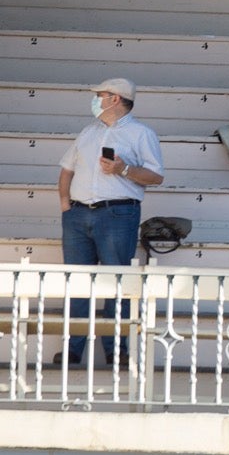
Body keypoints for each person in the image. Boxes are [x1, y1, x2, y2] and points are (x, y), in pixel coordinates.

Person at [56, 78, 165, 367]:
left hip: (117, 214)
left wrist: (123, 169)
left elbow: (156, 176)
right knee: (77, 282)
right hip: (79, 214)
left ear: (115, 99)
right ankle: (73, 348)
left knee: (117, 282)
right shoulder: (88, 131)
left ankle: (117, 349)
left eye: (100, 95)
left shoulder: (142, 134)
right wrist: (67, 206)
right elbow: (66, 169)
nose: (95, 99)